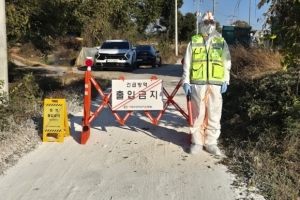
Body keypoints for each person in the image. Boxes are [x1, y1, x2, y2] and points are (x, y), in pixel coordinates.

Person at [182, 11, 231, 156]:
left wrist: (225, 80)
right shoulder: (194, 41)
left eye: (211, 23)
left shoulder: (221, 41)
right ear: (201, 24)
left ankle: (211, 142)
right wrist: (186, 81)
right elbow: (187, 63)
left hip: (215, 84)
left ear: (214, 24)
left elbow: (226, 62)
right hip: (198, 83)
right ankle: (197, 141)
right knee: (198, 113)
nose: (208, 25)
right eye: (206, 22)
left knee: (214, 113)